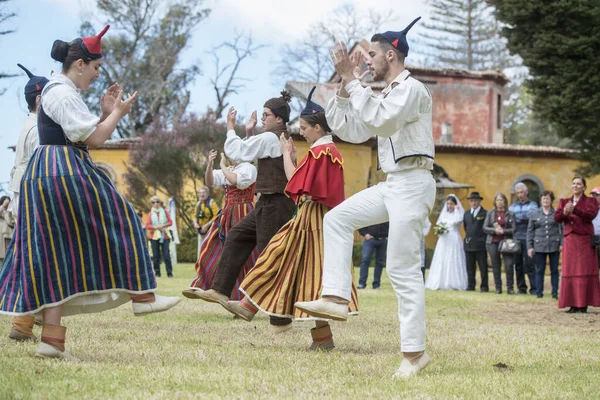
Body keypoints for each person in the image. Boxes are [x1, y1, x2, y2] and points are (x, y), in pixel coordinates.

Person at [0, 26, 180, 360]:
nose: (98, 75)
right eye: (96, 68)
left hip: (47, 169)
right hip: (63, 167)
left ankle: (50, 343)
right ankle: (143, 297)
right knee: (122, 217)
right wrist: (116, 113)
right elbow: (94, 141)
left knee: (53, 254)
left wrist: (103, 112)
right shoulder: (63, 93)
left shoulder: (56, 90)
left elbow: (80, 133)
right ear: (80, 64)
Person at [295, 17, 437, 378]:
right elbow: (353, 129)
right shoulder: (385, 94)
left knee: (403, 271)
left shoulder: (412, 90)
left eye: (372, 54)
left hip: (414, 182)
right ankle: (336, 298)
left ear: (392, 55)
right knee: (337, 219)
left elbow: (385, 122)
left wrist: (350, 79)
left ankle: (414, 354)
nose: (367, 60)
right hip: (393, 183)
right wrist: (345, 89)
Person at [220, 88, 358, 350]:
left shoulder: (321, 153)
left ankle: (250, 305)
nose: (302, 132)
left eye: (305, 127)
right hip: (312, 218)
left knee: (290, 262)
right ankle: (317, 337)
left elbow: (295, 181)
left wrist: (286, 155)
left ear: (317, 128)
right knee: (303, 271)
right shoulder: (326, 152)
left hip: (312, 221)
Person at [191, 91, 297, 333]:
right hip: (267, 202)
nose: (262, 118)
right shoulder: (272, 137)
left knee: (269, 257)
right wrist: (248, 132)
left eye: (267, 114)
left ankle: (280, 320)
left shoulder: (273, 137)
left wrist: (230, 127)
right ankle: (220, 289)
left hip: (278, 203)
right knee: (238, 234)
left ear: (279, 119)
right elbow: (251, 149)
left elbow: (238, 152)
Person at [5, 64, 49, 342]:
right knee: (36, 260)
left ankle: (37, 314)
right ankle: (22, 324)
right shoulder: (37, 129)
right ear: (38, 99)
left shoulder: (27, 125)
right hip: (32, 198)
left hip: (23, 197)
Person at [182, 148, 257, 300]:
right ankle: (203, 284)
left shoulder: (249, 168)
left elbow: (237, 181)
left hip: (244, 211)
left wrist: (222, 166)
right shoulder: (230, 169)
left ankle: (243, 297)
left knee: (244, 253)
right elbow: (209, 182)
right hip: (227, 212)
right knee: (211, 246)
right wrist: (210, 165)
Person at [554, 176, 600, 313]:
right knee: (570, 271)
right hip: (570, 240)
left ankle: (582, 304)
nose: (575, 186)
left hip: (584, 240)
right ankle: (572, 304)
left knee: (583, 271)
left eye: (579, 184)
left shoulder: (591, 201)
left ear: (584, 187)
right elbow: (556, 218)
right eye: (573, 183)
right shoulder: (564, 201)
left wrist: (575, 210)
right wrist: (564, 212)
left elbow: (590, 215)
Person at [425, 194, 468, 290]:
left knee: (453, 259)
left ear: (455, 204)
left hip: (454, 239)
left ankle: (453, 283)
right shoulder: (444, 214)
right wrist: (440, 231)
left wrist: (456, 209)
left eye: (451, 204)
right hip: (444, 240)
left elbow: (458, 221)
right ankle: (440, 281)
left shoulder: (458, 214)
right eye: (448, 204)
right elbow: (438, 224)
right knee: (442, 259)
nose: (449, 206)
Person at [526, 190, 562, 299]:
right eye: (543, 198)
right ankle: (539, 293)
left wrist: (562, 243)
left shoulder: (557, 213)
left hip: (554, 245)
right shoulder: (534, 213)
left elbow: (563, 229)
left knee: (554, 270)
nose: (545, 200)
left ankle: (555, 292)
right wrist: (530, 247)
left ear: (551, 200)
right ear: (540, 200)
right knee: (540, 270)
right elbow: (530, 231)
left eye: (547, 198)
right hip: (539, 246)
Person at [483, 193, 517, 294]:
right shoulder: (490, 213)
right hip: (492, 242)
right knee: (495, 265)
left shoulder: (510, 214)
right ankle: (498, 288)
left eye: (501, 200)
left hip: (506, 242)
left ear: (505, 202)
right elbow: (485, 227)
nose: (499, 202)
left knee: (509, 265)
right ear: (495, 202)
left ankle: (510, 288)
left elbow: (514, 229)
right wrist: (494, 230)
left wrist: (504, 231)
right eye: (497, 200)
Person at [509, 182, 538, 294]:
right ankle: (521, 288)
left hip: (529, 238)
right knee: (518, 264)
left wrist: (519, 219)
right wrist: (525, 218)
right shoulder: (513, 206)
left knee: (530, 264)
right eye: (518, 193)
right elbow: (511, 220)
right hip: (516, 238)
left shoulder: (533, 205)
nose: (520, 195)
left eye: (522, 192)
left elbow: (534, 217)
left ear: (526, 192)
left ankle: (534, 288)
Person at [463, 192, 489, 292]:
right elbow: (466, 227)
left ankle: (484, 286)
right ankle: (471, 285)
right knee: (470, 267)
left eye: (475, 201)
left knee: (482, 266)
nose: (473, 203)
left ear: (479, 201)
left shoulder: (484, 213)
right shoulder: (466, 214)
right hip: (469, 244)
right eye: (472, 201)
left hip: (480, 244)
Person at [146, 195, 174, 278]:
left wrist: (163, 225)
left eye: (157, 202)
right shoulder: (150, 214)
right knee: (156, 256)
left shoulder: (165, 212)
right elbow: (148, 226)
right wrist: (157, 227)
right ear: (151, 204)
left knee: (166, 255)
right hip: (154, 237)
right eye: (153, 202)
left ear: (160, 203)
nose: (156, 204)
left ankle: (169, 273)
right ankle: (157, 273)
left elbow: (170, 222)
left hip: (165, 235)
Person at [357, 222, 389, 289]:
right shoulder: (370, 212)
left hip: (383, 240)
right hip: (370, 240)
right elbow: (360, 222)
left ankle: (376, 285)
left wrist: (388, 236)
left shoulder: (387, 213)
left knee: (380, 262)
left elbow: (392, 225)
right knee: (365, 260)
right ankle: (362, 283)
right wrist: (365, 234)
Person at [194, 186, 220, 257]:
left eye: (204, 192)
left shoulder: (211, 203)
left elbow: (216, 216)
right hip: (201, 230)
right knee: (201, 249)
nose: (202, 194)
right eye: (200, 193)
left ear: (207, 193)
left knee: (210, 248)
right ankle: (200, 265)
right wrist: (195, 223)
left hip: (211, 230)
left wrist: (206, 226)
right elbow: (194, 216)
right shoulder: (198, 204)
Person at [0, 196, 14, 260]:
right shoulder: (1, 209)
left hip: (9, 234)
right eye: (5, 200)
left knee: (8, 254)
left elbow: (11, 222)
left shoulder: (10, 212)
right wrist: (3, 206)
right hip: (3, 235)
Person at [591, 187, 600, 268]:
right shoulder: (588, 209)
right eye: (593, 195)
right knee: (592, 265)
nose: (594, 197)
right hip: (591, 239)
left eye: (596, 195)